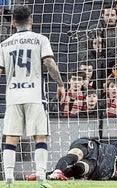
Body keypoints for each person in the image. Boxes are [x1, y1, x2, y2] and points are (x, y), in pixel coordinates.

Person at [0, 5, 65, 188]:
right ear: (31, 20)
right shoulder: (40, 40)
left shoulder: (4, 44)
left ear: (13, 23)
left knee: (11, 138)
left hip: (13, 96)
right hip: (35, 95)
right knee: (40, 137)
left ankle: (9, 178)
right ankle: (41, 177)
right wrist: (60, 84)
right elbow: (49, 63)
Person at [46, 133, 117, 180]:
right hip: (92, 148)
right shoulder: (115, 148)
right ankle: (57, 171)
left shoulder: (111, 174)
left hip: (93, 165)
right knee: (76, 154)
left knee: (81, 168)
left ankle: (48, 175)